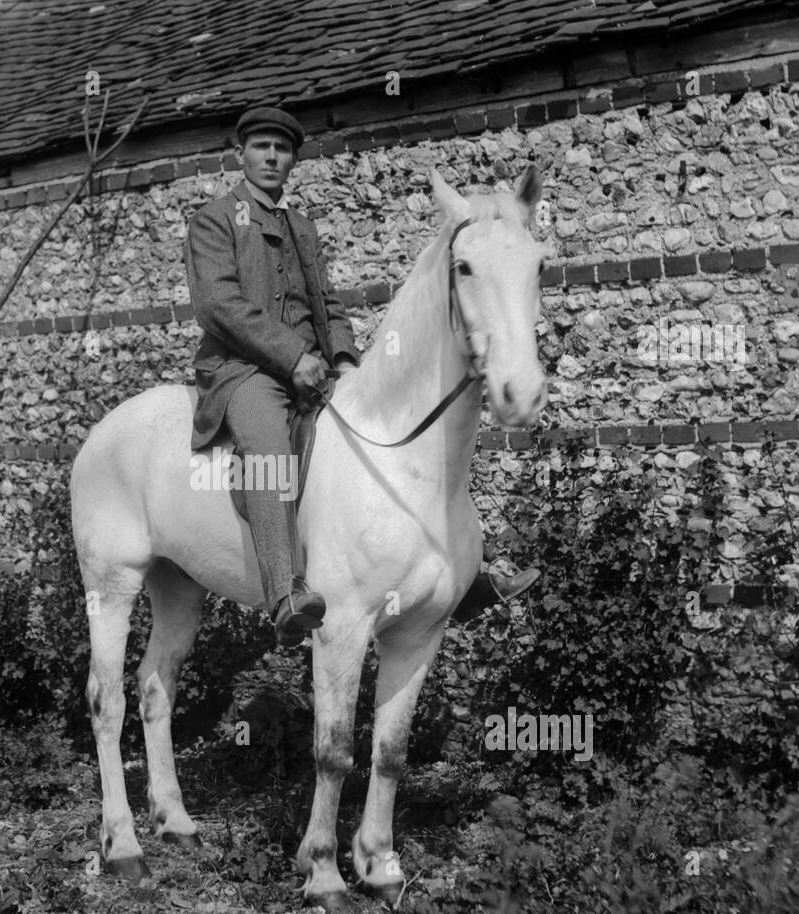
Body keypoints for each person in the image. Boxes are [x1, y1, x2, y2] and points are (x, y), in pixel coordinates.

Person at [184, 105, 537, 645]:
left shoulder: (301, 227)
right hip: (242, 370)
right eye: (261, 146)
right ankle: (284, 593)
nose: (272, 156)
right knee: (268, 440)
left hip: (311, 368)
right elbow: (220, 307)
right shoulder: (213, 220)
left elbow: (327, 304)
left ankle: (459, 574)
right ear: (240, 154)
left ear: (293, 161)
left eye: (282, 149)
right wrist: (289, 356)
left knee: (406, 438)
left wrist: (346, 357)